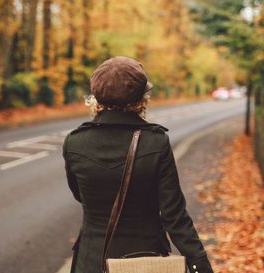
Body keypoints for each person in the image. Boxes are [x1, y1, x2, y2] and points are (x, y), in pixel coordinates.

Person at [63, 56, 214, 273]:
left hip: (91, 260)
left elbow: (79, 194)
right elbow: (174, 215)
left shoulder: (74, 142)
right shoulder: (155, 141)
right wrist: (199, 263)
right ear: (140, 98)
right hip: (145, 261)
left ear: (96, 97)